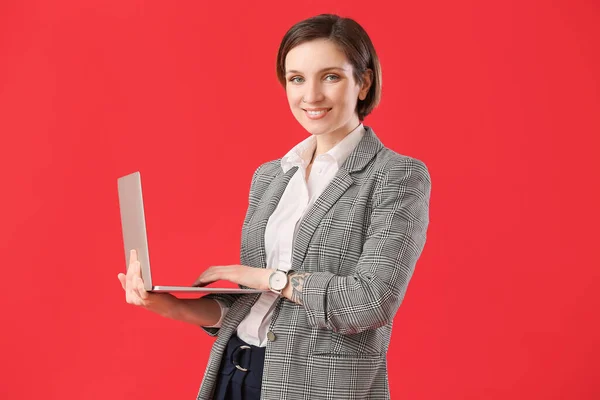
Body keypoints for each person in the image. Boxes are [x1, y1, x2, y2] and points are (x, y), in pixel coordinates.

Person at [118, 13, 431, 400]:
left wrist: (270, 277)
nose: (310, 95)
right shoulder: (271, 175)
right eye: (297, 78)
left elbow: (370, 303)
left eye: (330, 76)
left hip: (319, 389)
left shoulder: (396, 175)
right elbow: (254, 307)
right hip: (234, 373)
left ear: (363, 82)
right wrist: (165, 304)